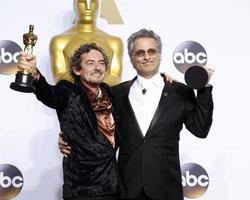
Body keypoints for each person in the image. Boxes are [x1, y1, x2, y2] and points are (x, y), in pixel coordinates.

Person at [59, 29, 214, 200]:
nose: (147, 57)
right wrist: (66, 138)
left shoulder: (181, 92)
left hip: (166, 188)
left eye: (152, 51)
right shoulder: (115, 94)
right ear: (132, 59)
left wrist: (203, 89)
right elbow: (90, 123)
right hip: (126, 188)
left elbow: (200, 129)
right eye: (140, 53)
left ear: (160, 55)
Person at [17, 43, 120, 200]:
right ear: (77, 69)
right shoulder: (68, 92)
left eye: (101, 63)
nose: (97, 67)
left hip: (113, 187)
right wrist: (34, 74)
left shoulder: (110, 94)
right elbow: (49, 93)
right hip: (82, 190)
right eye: (90, 63)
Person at [50, 0, 123, 86]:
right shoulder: (60, 42)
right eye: (82, 2)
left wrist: (94, 88)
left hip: (104, 97)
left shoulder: (114, 42)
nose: (88, 7)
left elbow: (115, 77)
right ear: (74, 5)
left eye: (93, 2)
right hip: (72, 97)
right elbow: (60, 76)